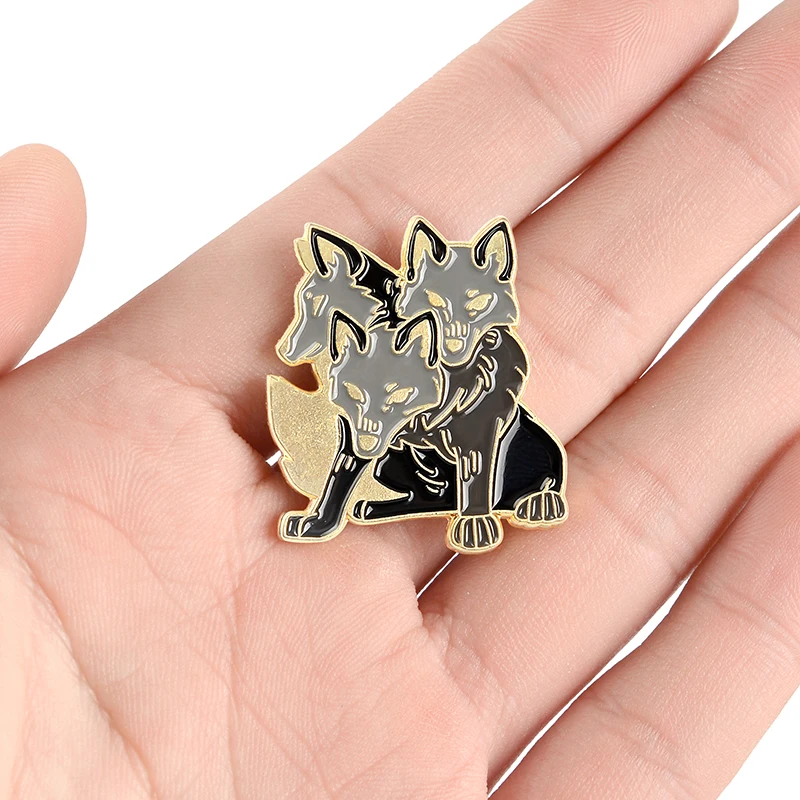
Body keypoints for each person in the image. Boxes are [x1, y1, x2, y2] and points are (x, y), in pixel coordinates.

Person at [1, 0, 799, 796]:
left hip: (495, 464)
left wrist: (475, 503)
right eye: (440, 307)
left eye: (472, 309)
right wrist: (333, 501)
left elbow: (471, 429)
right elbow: (364, 430)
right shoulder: (387, 357)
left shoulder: (481, 366)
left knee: (508, 457)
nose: (454, 324)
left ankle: (499, 491)